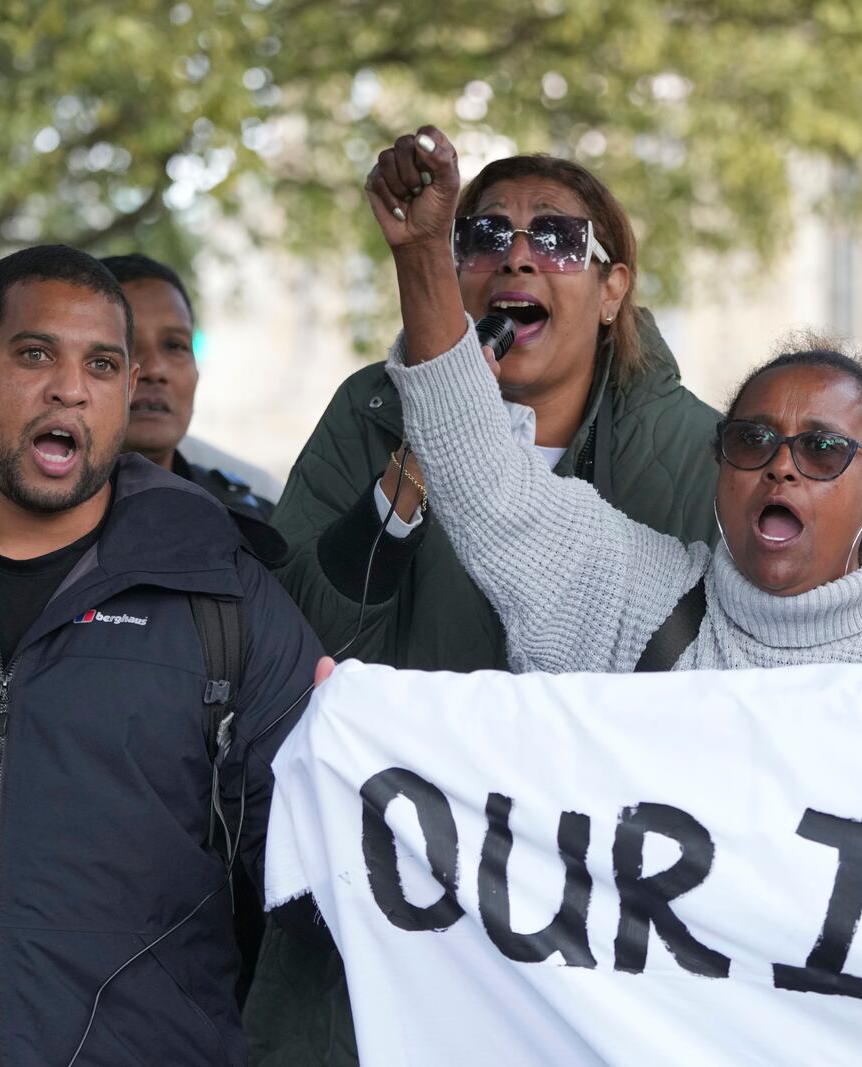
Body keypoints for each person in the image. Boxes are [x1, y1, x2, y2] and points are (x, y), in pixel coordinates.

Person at [245, 135, 722, 1062]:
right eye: (484, 235)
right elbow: (300, 643)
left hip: (600, 913)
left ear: (612, 288)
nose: (517, 254)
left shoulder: (699, 449)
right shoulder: (371, 411)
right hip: (395, 890)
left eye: (558, 237)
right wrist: (412, 475)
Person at [356, 126, 862, 673]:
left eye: (821, 447)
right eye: (751, 440)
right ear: (721, 467)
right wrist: (422, 254)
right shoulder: (634, 597)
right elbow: (481, 476)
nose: (781, 466)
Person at [0, 245, 320, 1065]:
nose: (71, 387)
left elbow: (340, 881)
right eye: (36, 353)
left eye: (102, 364)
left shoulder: (226, 597)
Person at [101, 253, 280, 529]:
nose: (155, 370)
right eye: (126, 345)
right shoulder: (26, 528)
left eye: (175, 346)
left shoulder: (252, 520)